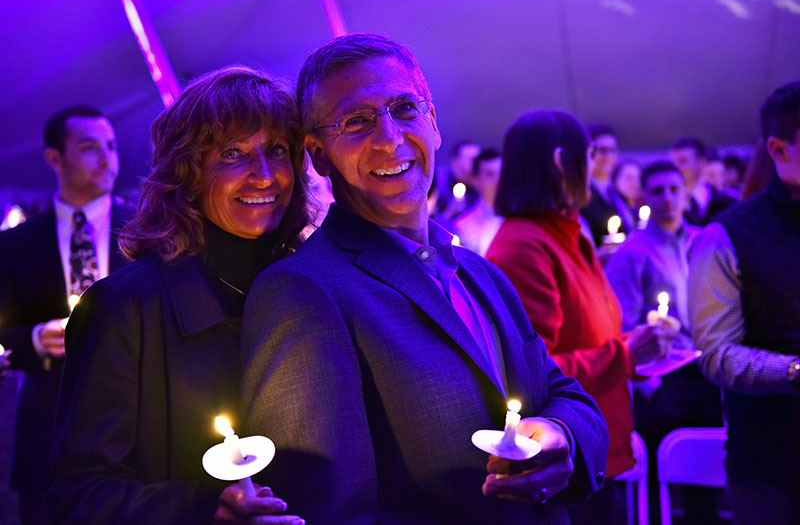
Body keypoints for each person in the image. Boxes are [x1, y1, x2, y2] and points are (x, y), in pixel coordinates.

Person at [241, 33, 608, 525]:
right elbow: (329, 511)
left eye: (404, 109)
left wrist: (564, 434)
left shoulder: (481, 272)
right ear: (318, 154)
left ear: (433, 124)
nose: (389, 137)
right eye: (357, 121)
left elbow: (565, 392)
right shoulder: (302, 291)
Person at [47, 66, 308, 524]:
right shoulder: (125, 307)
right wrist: (204, 509)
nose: (264, 176)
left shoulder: (310, 289)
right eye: (233, 154)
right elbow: (78, 491)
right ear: (186, 172)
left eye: (277, 151)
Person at [485, 110, 676, 524]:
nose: (595, 168)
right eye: (588, 155)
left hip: (591, 445)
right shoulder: (524, 246)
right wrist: (626, 354)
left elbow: (588, 333)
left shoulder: (567, 233)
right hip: (562, 457)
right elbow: (535, 374)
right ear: (559, 162)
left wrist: (639, 347)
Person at [0, 104, 132, 525]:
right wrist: (36, 339)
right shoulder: (17, 243)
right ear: (54, 158)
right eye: (90, 148)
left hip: (134, 431)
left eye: (111, 147)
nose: (108, 158)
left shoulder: (145, 229)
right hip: (46, 435)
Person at [688, 81, 800, 525]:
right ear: (778, 149)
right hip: (773, 470)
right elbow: (715, 354)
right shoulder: (725, 235)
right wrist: (793, 371)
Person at [605, 161, 723, 524]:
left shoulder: (706, 240)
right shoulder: (632, 252)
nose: (667, 198)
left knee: (705, 473)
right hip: (663, 373)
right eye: (657, 191)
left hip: (706, 370)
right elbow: (618, 321)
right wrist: (648, 381)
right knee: (660, 474)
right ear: (644, 196)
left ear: (686, 193)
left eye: (674, 189)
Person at [580, 124, 633, 246]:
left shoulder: (617, 194)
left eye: (612, 150)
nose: (608, 156)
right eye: (602, 150)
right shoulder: (582, 195)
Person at [669, 136, 736, 226]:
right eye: (673, 162)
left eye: (683, 161)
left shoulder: (726, 202)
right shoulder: (668, 204)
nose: (677, 167)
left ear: (701, 162)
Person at [452, 148, 504, 255]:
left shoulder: (520, 218)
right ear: (476, 181)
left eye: (502, 173)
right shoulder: (463, 226)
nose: (498, 180)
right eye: (490, 175)